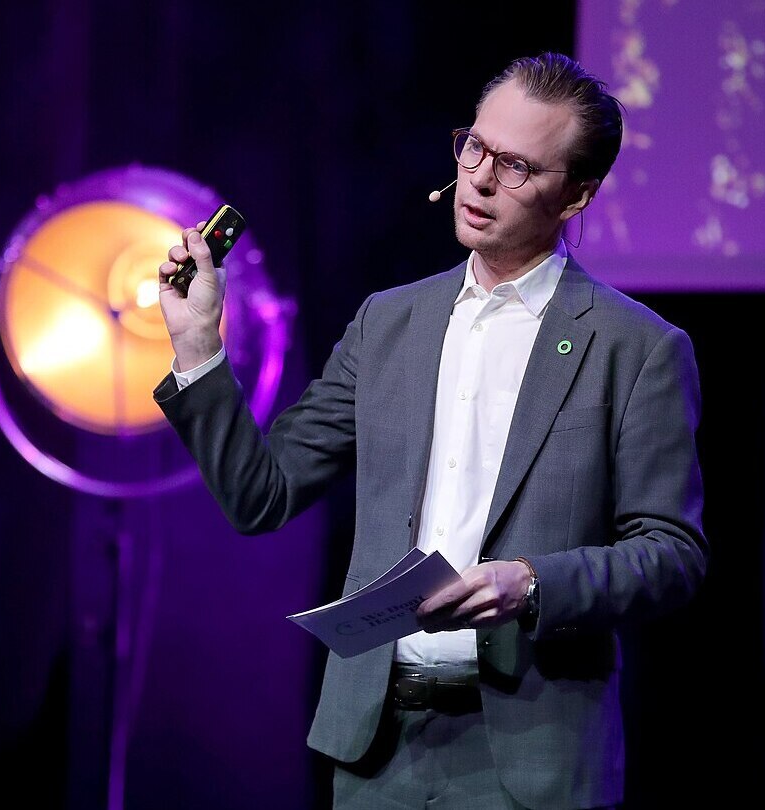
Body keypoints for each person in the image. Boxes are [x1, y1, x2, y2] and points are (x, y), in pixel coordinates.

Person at [154, 52, 707, 810]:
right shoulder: (389, 322)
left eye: (516, 167)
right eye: (475, 147)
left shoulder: (636, 347)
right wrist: (197, 346)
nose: (480, 180)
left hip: (534, 757)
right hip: (378, 749)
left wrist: (534, 583)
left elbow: (671, 553)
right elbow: (263, 495)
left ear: (577, 194)